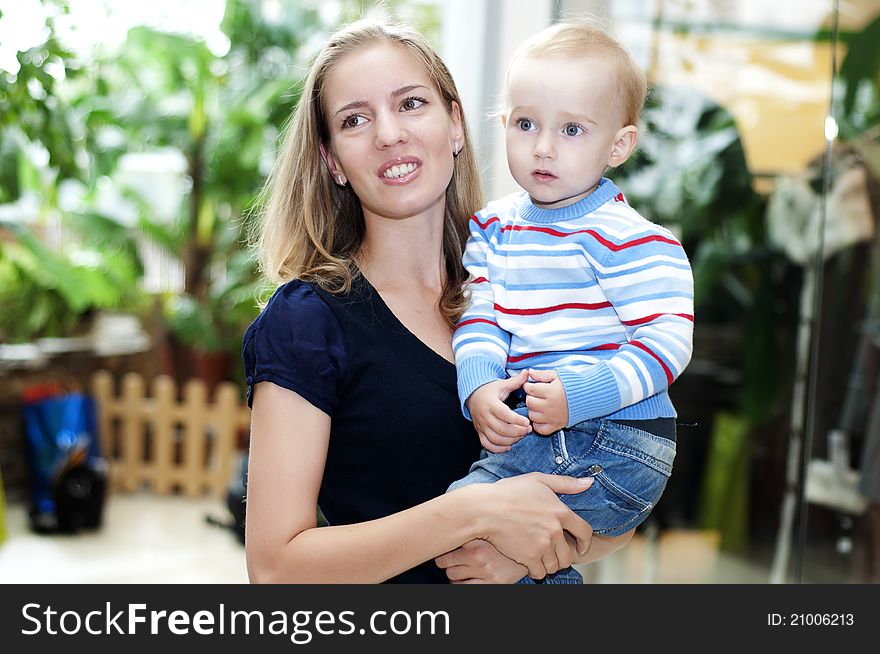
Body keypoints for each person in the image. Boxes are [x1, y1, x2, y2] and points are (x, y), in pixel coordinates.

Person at [242, 19, 635, 584]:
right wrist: (472, 513)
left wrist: (526, 552)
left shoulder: (534, 284)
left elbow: (622, 496)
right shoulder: (307, 321)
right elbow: (275, 568)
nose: (387, 134)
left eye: (410, 104)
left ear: (454, 124)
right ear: (332, 162)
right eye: (355, 119)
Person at [448, 20, 695, 584]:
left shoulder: (632, 238)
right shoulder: (494, 228)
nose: (543, 146)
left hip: (617, 438)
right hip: (551, 432)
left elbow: (667, 345)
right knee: (504, 550)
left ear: (619, 145)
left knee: (464, 516)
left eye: (572, 130)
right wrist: (481, 383)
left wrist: (578, 396)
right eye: (527, 123)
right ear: (502, 123)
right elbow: (481, 314)